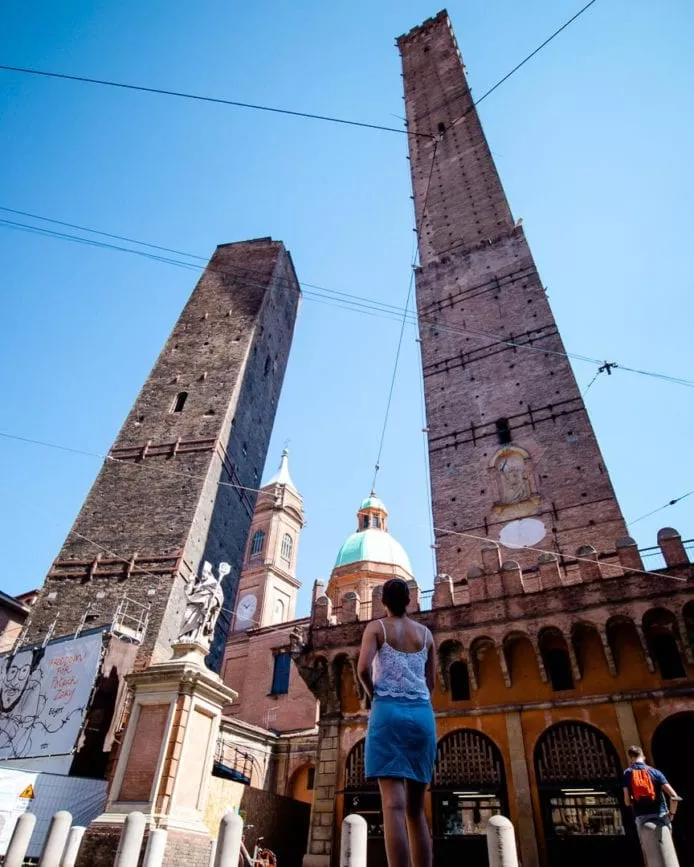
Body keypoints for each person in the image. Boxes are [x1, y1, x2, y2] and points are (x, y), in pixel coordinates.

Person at [357, 578, 437, 867]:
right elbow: (432, 683)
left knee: (393, 806)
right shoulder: (426, 635)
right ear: (409, 601)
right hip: (422, 716)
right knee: (416, 811)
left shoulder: (376, 628)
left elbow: (363, 669)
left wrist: (373, 695)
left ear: (383, 602)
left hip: (387, 713)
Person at [623, 745, 682, 831]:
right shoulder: (655, 772)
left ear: (631, 758)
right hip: (660, 814)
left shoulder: (627, 773)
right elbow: (674, 797)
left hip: (641, 816)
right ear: (643, 757)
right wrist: (671, 814)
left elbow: (627, 802)